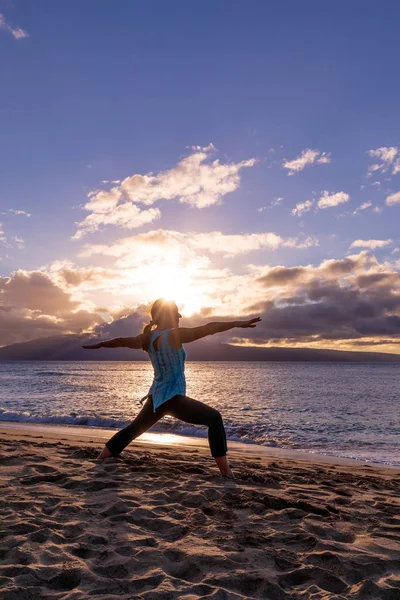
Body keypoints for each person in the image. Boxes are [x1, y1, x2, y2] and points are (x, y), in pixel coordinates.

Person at [83, 298, 261, 478]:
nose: (180, 316)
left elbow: (120, 341)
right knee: (214, 418)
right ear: (168, 316)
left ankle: (102, 457)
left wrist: (100, 344)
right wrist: (238, 324)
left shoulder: (147, 337)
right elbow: (209, 327)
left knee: (133, 429)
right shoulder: (173, 335)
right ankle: (226, 473)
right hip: (172, 398)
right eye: (176, 313)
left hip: (156, 397)